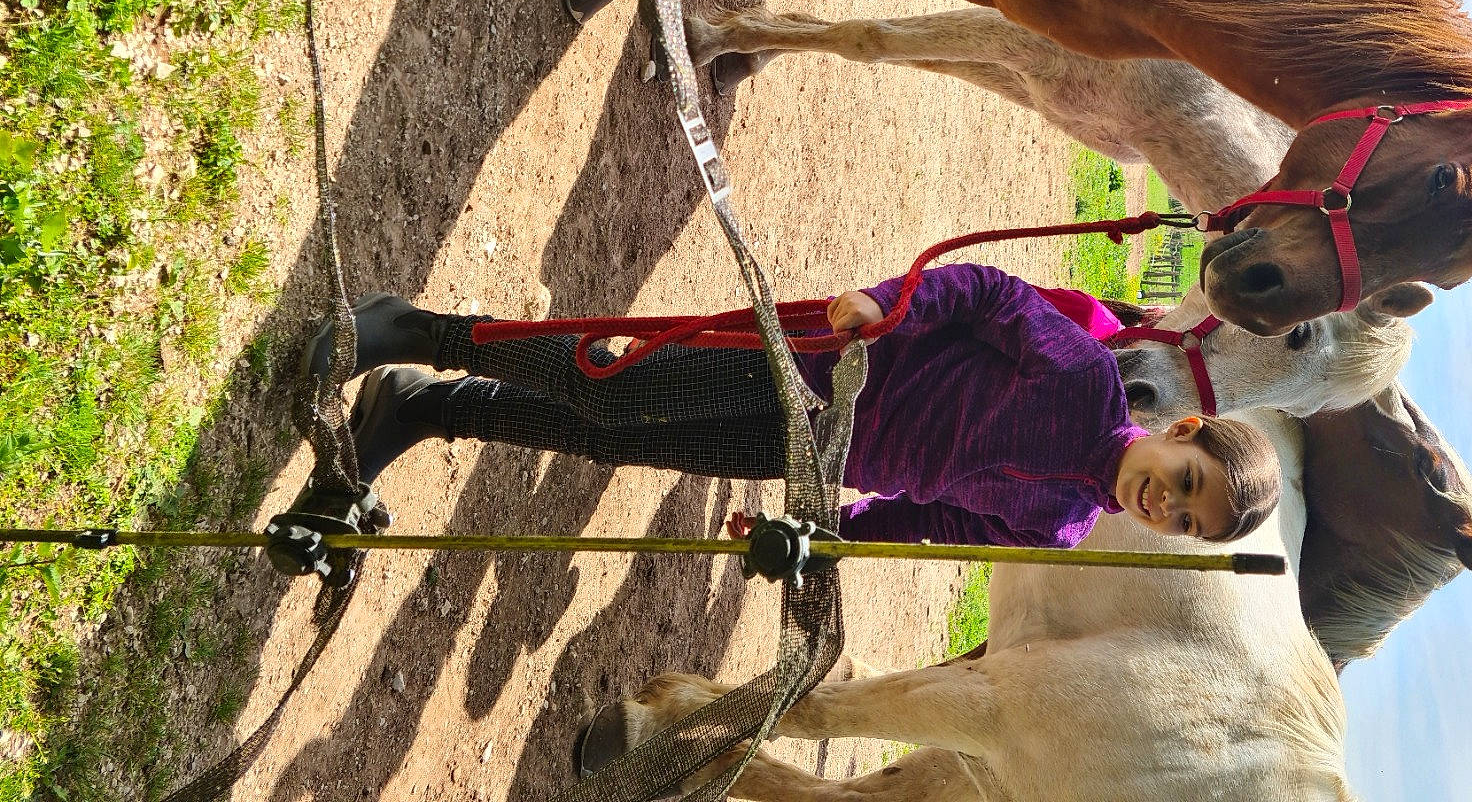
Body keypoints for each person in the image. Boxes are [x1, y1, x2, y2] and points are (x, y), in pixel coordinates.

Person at [311, 262, 1282, 547]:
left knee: (615, 443)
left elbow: (931, 517)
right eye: (1184, 482)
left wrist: (830, 535)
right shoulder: (1085, 380)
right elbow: (992, 299)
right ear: (1182, 430)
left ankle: (429, 410)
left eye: (1186, 522)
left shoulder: (1060, 524)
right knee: (618, 384)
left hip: (818, 459)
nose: (1167, 505)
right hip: (819, 369)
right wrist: (890, 306)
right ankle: (422, 332)